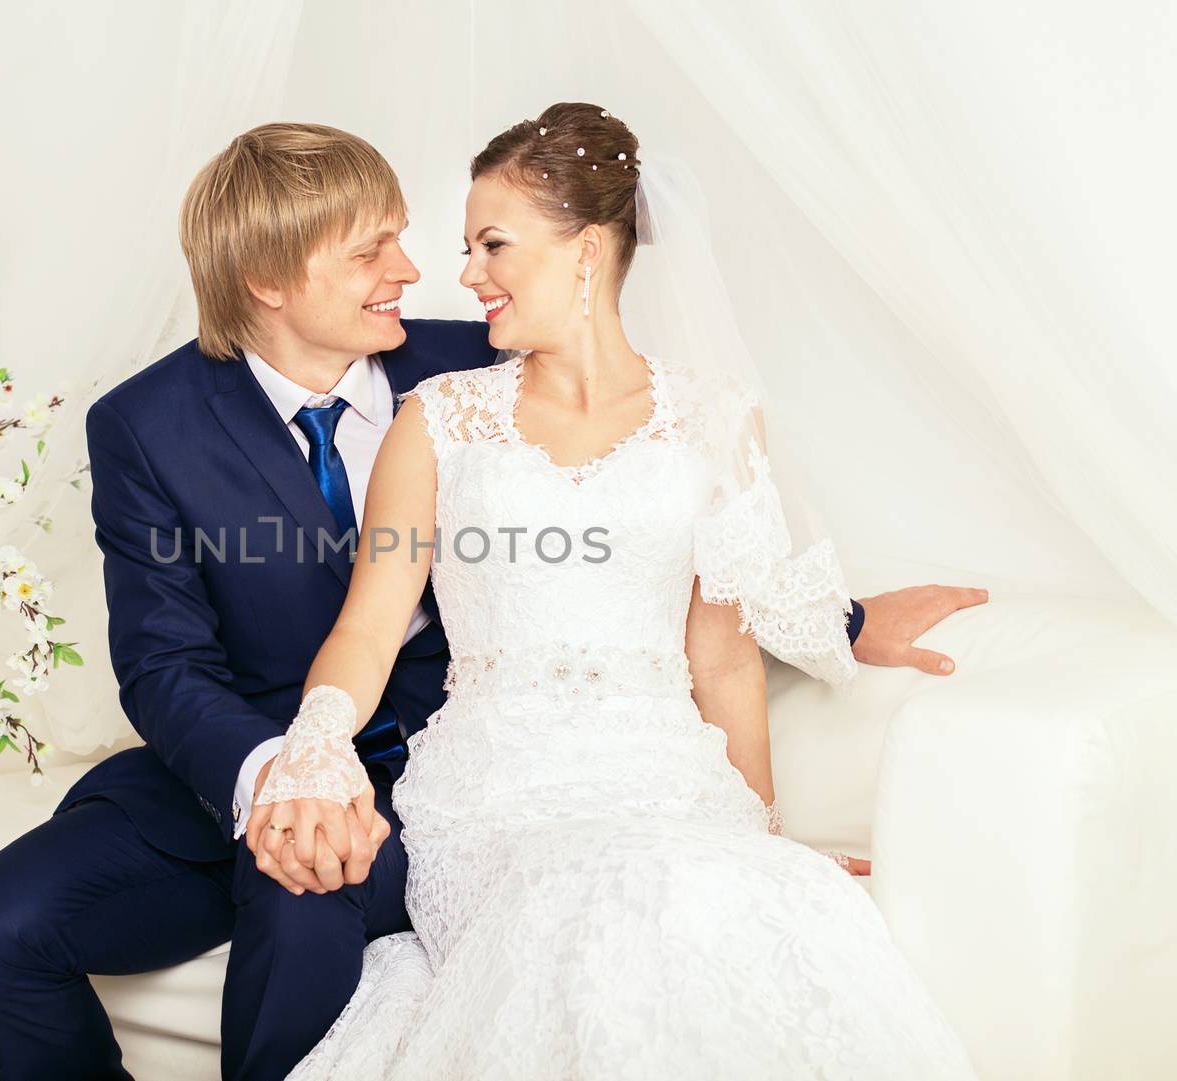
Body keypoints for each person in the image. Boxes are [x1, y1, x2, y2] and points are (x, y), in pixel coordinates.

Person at [0, 118, 986, 1080]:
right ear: (266, 277)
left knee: (340, 908)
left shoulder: (476, 352)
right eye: (371, 251)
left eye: (430, 239)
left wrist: (843, 621)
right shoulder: (154, 423)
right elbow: (168, 664)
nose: (420, 271)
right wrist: (289, 769)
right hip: (283, 757)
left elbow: (656, 546)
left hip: (465, 775)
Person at [259, 103, 981, 1079]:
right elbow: (370, 626)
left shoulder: (715, 420)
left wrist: (758, 840)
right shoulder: (438, 420)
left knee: (729, 919)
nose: (464, 272)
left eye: (492, 244)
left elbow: (720, 656)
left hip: (665, 781)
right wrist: (314, 739)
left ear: (586, 251)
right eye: (468, 246)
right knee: (590, 906)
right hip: (494, 793)